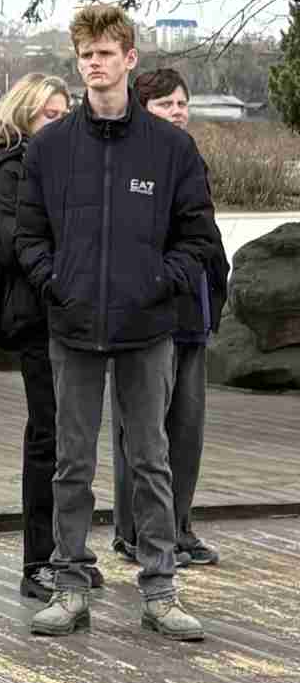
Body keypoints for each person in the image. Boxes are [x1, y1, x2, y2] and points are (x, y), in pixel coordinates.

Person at [16, 4, 216, 642]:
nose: (94, 64)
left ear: (130, 59)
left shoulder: (171, 148)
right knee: (71, 462)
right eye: (86, 55)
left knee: (151, 459)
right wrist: (57, 282)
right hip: (73, 326)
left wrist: (157, 283)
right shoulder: (50, 147)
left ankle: (160, 589)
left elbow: (197, 235)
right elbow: (28, 235)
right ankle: (69, 586)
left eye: (105, 53)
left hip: (147, 328)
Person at [0, 74, 106, 600]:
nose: (60, 122)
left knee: (76, 437)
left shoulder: (75, 167)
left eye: (64, 113)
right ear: (24, 115)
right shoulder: (3, 177)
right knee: (48, 436)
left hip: (76, 317)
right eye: (49, 113)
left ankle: (70, 551)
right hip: (37, 319)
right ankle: (39, 560)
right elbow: (10, 247)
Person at [111, 68, 229, 570]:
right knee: (141, 433)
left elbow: (206, 236)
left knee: (186, 429)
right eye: (165, 104)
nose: (177, 112)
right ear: (142, 109)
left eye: (182, 103)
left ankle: (178, 526)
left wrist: (216, 290)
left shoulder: (190, 158)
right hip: (146, 318)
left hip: (192, 316)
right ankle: (135, 532)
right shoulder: (127, 158)